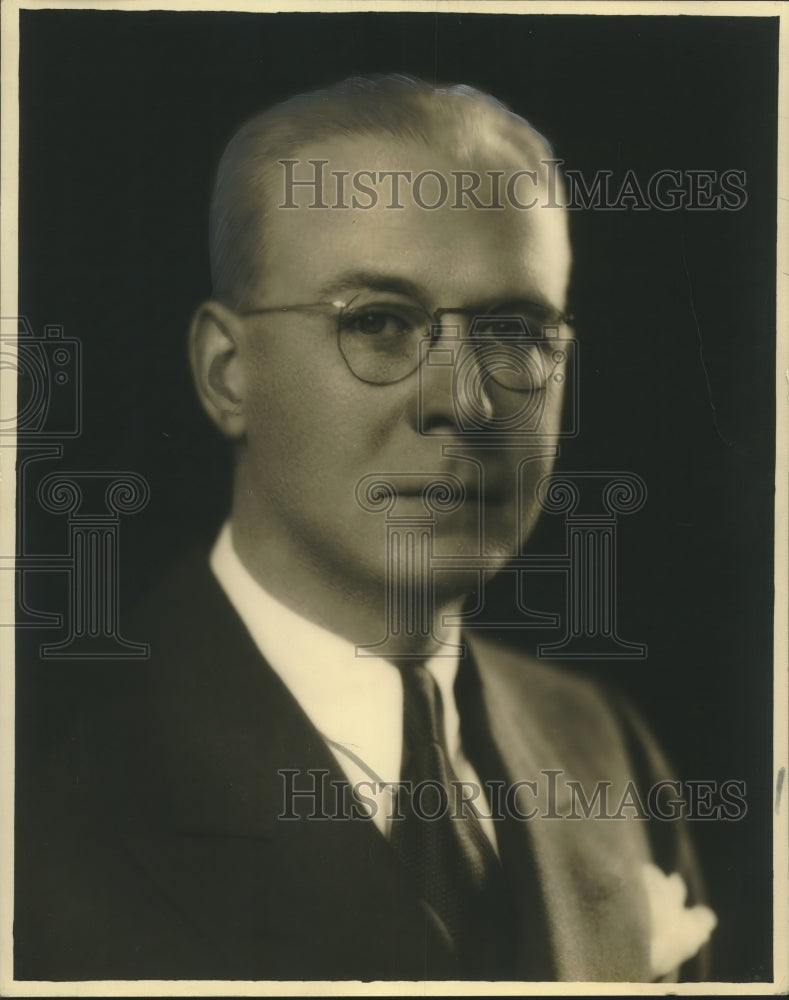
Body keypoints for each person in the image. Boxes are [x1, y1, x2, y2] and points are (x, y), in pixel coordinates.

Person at [15, 74, 717, 983]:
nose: (463, 402)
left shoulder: (595, 743)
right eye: (380, 323)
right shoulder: (40, 771)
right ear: (229, 372)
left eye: (515, 330)